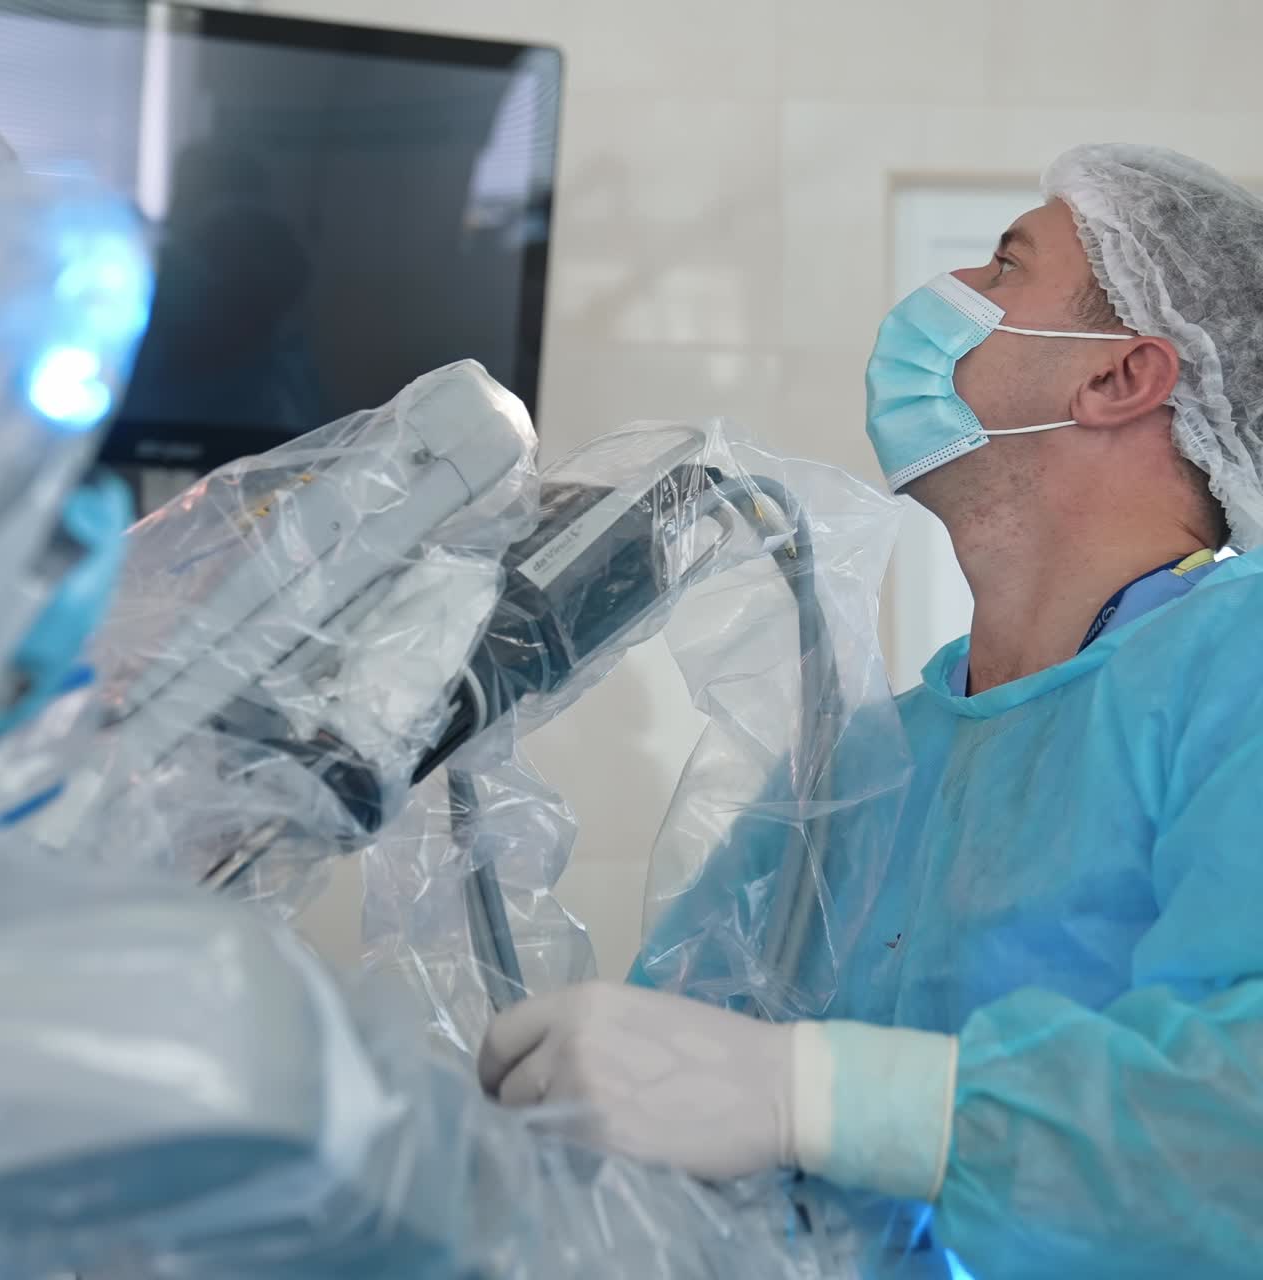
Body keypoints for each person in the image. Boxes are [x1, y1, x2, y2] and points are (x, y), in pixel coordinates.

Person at [479, 142, 1263, 1279]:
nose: (946, 299)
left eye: (1002, 268)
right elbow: (662, 1069)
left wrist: (815, 1094)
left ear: (1116, 379)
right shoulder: (879, 753)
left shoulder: (1233, 668)